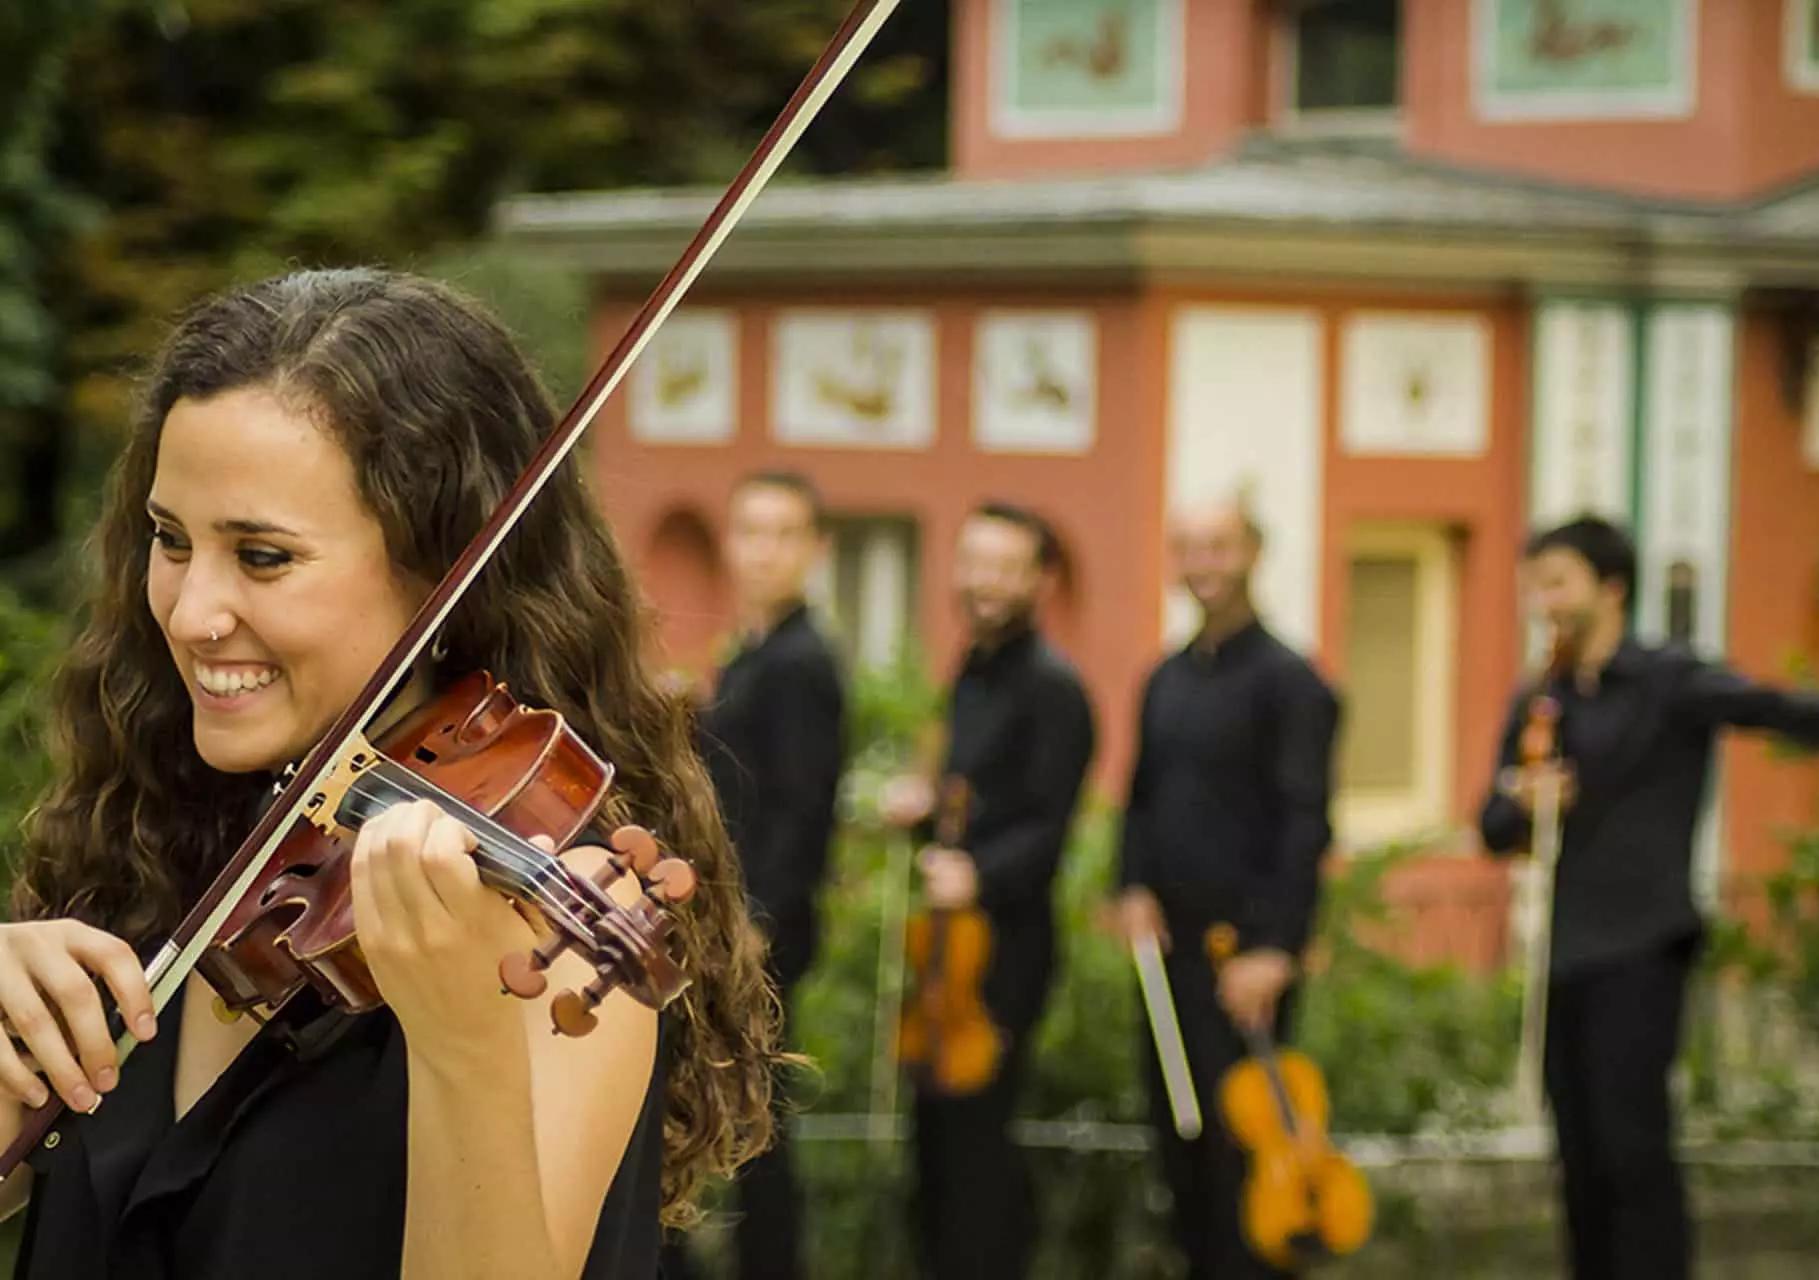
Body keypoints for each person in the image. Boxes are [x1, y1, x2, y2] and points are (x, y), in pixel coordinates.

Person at [0, 269, 781, 1279]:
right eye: (171, 539)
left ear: (443, 564)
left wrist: (465, 1046)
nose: (191, 613)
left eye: (265, 556)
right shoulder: (150, 854)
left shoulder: (555, 938)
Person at [1479, 515, 1819, 1280]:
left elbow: (1758, 704)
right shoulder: (1543, 700)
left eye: (1557, 582)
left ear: (1610, 588)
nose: (1543, 601)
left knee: (1632, 1149)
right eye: (1534, 585)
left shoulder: (1667, 680)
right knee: (1579, 1156)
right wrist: (1531, 799)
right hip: (1563, 954)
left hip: (1641, 945)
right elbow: (1493, 824)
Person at [1110, 497, 1340, 1280]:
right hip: (1169, 953)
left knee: (1248, 1167)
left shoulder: (1292, 681)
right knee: (1181, 1150)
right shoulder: (1165, 678)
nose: (1202, 563)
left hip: (1247, 958)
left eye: (1219, 546)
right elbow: (1138, 799)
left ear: (1253, 553)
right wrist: (1131, 885)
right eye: (1187, 548)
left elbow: (1306, 825)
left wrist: (1275, 949)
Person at [879, 502, 1094, 1280]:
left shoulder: (1055, 689)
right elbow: (974, 797)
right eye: (974, 563)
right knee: (936, 1140)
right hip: (945, 947)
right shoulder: (970, 670)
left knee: (978, 1143)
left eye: (1005, 568)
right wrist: (924, 805)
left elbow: (1049, 824)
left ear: (1039, 580)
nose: (985, 583)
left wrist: (981, 871)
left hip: (1006, 946)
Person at [667, 470, 845, 1280]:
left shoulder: (802, 661)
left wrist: (758, 919)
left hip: (760, 926)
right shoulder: (756, 652)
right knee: (740, 1116)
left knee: (757, 1121)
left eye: (783, 534)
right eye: (750, 531)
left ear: (815, 549)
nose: (764, 551)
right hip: (734, 916)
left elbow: (805, 807)